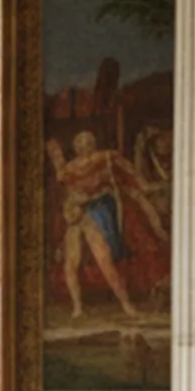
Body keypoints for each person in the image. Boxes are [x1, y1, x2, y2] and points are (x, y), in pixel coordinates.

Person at [47, 130, 141, 322]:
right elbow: (68, 193)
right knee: (71, 262)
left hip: (93, 213)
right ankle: (77, 308)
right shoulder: (69, 169)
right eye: (80, 142)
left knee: (104, 260)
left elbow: (125, 168)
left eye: (88, 142)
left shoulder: (103, 158)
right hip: (75, 216)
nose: (84, 146)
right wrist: (72, 208)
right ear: (76, 147)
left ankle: (126, 304)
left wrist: (142, 182)